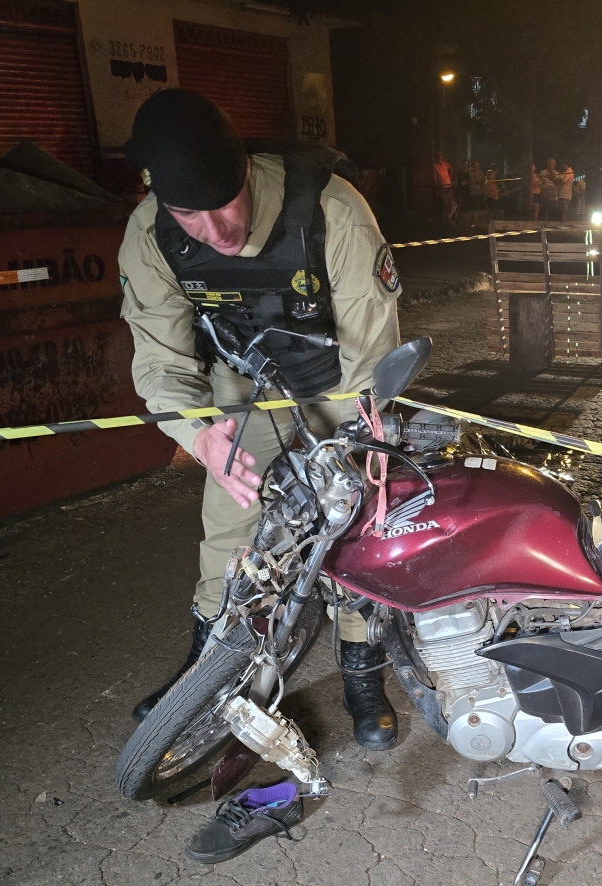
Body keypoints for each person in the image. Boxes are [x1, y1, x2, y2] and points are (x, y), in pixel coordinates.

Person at [119, 89, 401, 751]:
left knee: (356, 519)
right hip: (245, 387)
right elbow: (159, 359)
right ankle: (206, 671)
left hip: (342, 387)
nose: (216, 233)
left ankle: (364, 673)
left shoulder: (332, 211)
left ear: (246, 170)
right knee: (230, 521)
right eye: (190, 214)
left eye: (225, 203)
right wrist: (200, 436)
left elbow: (372, 355)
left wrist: (342, 454)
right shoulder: (151, 233)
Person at [432, 152, 456, 223]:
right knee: (444, 203)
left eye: (441, 155)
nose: (439, 157)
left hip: (448, 186)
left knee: (450, 203)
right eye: (438, 156)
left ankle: (448, 219)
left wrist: (450, 177)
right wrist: (437, 185)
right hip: (442, 187)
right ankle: (444, 220)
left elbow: (451, 168)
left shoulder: (445, 163)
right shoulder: (435, 165)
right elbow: (435, 176)